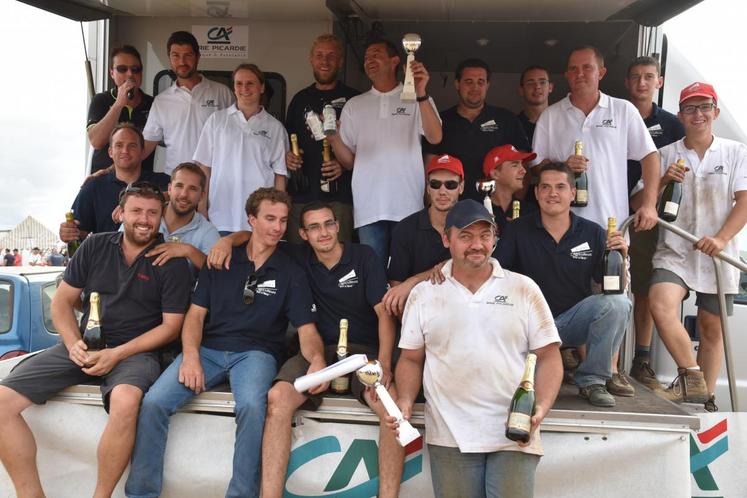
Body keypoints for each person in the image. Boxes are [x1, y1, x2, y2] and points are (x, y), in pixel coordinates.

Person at [126, 188, 323, 498]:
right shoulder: (221, 258)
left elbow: (307, 331)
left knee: (252, 407)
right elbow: (194, 316)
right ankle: (141, 494)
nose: (277, 228)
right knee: (153, 403)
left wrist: (317, 361)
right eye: (269, 219)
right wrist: (190, 356)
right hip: (208, 349)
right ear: (251, 220)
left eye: (283, 221)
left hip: (256, 354)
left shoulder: (290, 271)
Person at [0, 183, 190, 498]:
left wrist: (117, 354)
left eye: (152, 213)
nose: (144, 219)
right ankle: (30, 494)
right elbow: (62, 303)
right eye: (137, 211)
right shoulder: (95, 246)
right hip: (83, 346)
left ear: (161, 217)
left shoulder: (172, 261)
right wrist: (73, 342)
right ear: (122, 214)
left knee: (126, 402)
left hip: (136, 353)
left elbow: (171, 328)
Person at [394, 199, 562, 498]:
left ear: (495, 239)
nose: (477, 245)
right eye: (466, 236)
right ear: (447, 239)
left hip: (514, 433)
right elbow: (410, 359)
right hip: (450, 435)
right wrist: (405, 401)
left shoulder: (523, 288)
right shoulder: (423, 294)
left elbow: (549, 357)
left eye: (485, 236)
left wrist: (541, 407)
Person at [633, 82, 747, 412]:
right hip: (676, 249)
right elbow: (637, 203)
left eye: (704, 107)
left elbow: (743, 202)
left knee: (712, 330)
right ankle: (692, 376)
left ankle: (705, 403)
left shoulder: (736, 151)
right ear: (680, 115)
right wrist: (663, 180)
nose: (698, 114)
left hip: (719, 253)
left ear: (716, 112)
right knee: (660, 302)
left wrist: (722, 238)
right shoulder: (664, 154)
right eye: (690, 108)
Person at [496, 162, 632, 407]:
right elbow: (496, 276)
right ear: (536, 193)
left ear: (573, 193)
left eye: (560, 187)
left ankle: (592, 380)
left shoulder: (593, 233)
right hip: (526, 326)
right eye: (545, 187)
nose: (552, 193)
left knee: (618, 303)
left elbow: (611, 287)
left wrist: (621, 258)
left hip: (571, 323)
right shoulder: (517, 229)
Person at [328, 37, 442, 265]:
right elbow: (349, 162)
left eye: (376, 54)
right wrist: (333, 139)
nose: (369, 60)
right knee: (374, 276)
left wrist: (421, 92)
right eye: (367, 57)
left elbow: (435, 136)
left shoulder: (416, 99)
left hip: (408, 205)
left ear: (395, 61)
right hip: (368, 206)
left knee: (409, 273)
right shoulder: (354, 105)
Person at [532, 45, 660, 232]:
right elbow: (535, 167)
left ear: (601, 72)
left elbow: (650, 157)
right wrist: (563, 167)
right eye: (573, 69)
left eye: (587, 67)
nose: (580, 74)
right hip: (561, 230)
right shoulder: (550, 116)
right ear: (567, 75)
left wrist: (649, 205)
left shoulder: (623, 110)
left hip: (611, 226)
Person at [624, 56, 685, 390]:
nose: (642, 83)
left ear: (659, 82)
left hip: (654, 215)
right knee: (606, 285)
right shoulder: (616, 113)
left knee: (644, 287)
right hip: (613, 209)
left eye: (649, 77)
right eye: (636, 77)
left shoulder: (672, 124)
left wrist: (656, 194)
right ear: (626, 82)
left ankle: (641, 360)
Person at [193, 63, 288, 234]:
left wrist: (277, 215)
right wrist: (202, 207)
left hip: (260, 220)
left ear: (262, 87)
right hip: (220, 217)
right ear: (234, 87)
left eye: (250, 83)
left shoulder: (275, 128)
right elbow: (205, 169)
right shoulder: (216, 120)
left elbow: (279, 176)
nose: (244, 88)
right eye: (239, 83)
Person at [284, 34, 360, 243]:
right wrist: (289, 157)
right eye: (319, 55)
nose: (324, 62)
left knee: (336, 258)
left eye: (331, 56)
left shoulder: (355, 100)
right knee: (298, 261)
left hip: (340, 197)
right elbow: (287, 141)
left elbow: (367, 149)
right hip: (301, 195)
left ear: (340, 61)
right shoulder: (299, 100)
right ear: (311, 59)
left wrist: (345, 166)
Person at [424, 58, 530, 203]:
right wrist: (431, 209)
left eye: (481, 82)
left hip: (496, 208)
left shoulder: (506, 118)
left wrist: (517, 204)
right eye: (468, 82)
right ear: (457, 84)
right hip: (452, 207)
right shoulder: (440, 121)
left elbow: (523, 164)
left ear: (488, 85)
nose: (475, 87)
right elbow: (430, 166)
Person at [59, 123, 170, 243]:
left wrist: (160, 197)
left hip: (153, 258)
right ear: (110, 152)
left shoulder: (163, 182)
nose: (125, 151)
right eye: (119, 145)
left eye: (132, 146)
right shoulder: (94, 187)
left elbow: (187, 201)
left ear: (142, 151)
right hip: (105, 259)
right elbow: (80, 231)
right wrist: (69, 232)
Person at [142, 31, 234, 175]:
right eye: (176, 56)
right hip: (176, 182)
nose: (182, 62)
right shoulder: (161, 102)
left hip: (215, 179)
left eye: (188, 56)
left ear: (198, 57)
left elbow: (237, 137)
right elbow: (146, 145)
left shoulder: (222, 93)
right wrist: (114, 168)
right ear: (169, 58)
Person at [383, 154, 463, 317]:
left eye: (450, 185)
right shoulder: (405, 228)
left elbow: (484, 263)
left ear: (461, 187)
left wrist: (417, 279)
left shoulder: (472, 224)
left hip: (465, 312)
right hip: (418, 315)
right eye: (435, 184)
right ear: (427, 188)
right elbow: (397, 289)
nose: (442, 191)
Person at [87, 45, 155, 173]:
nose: (129, 74)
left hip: (141, 185)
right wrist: (118, 104)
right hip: (104, 181)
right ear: (112, 73)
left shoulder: (153, 104)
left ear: (141, 73)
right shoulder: (101, 100)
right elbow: (96, 141)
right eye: (122, 69)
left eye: (135, 69)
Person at [144, 162, 220, 274]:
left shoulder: (207, 232)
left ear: (202, 195)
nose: (184, 194)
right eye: (179, 186)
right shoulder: (145, 216)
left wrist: (189, 251)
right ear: (169, 189)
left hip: (182, 291)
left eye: (192, 189)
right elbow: (120, 253)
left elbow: (218, 277)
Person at [482, 144, 538, 235]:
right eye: (515, 165)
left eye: (522, 164)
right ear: (495, 174)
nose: (523, 170)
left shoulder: (531, 212)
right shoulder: (477, 211)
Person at [517, 65, 554, 145]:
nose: (537, 87)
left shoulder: (562, 122)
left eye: (542, 82)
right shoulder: (512, 125)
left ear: (550, 87)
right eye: (530, 83)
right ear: (521, 90)